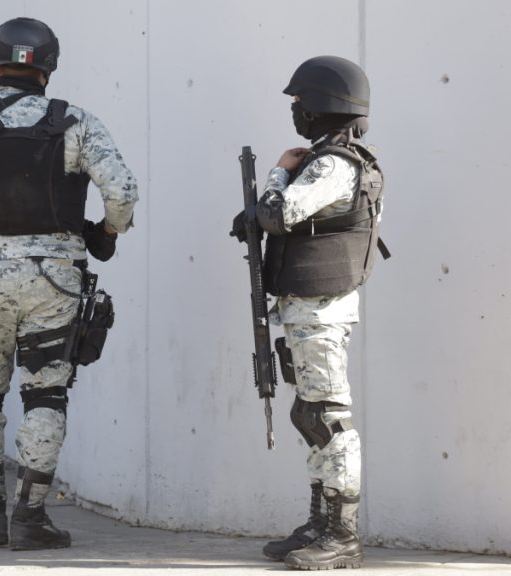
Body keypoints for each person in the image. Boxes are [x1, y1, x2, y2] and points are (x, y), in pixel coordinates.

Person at [0, 17, 138, 551]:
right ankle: (31, 517)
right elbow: (124, 191)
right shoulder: (76, 124)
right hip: (54, 280)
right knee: (45, 393)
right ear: (48, 68)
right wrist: (105, 233)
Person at [233, 56, 385, 570]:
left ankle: (341, 535)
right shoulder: (336, 159)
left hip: (320, 312)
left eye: (299, 101)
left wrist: (278, 170)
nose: (295, 109)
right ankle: (320, 522)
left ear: (322, 104)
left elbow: (278, 213)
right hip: (309, 308)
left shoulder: (332, 164)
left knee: (329, 418)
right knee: (311, 416)